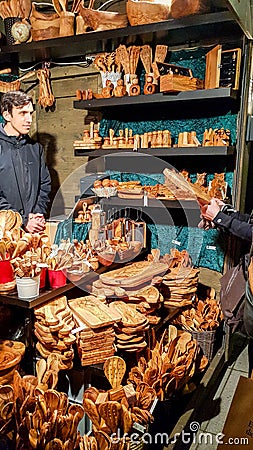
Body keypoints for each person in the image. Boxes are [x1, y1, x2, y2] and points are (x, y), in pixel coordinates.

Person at [0, 90, 51, 233]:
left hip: (33, 228)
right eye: (22, 113)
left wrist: (38, 214)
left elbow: (44, 184)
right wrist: (22, 220)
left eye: (30, 113)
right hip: (4, 231)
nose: (29, 119)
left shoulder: (35, 149)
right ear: (7, 115)